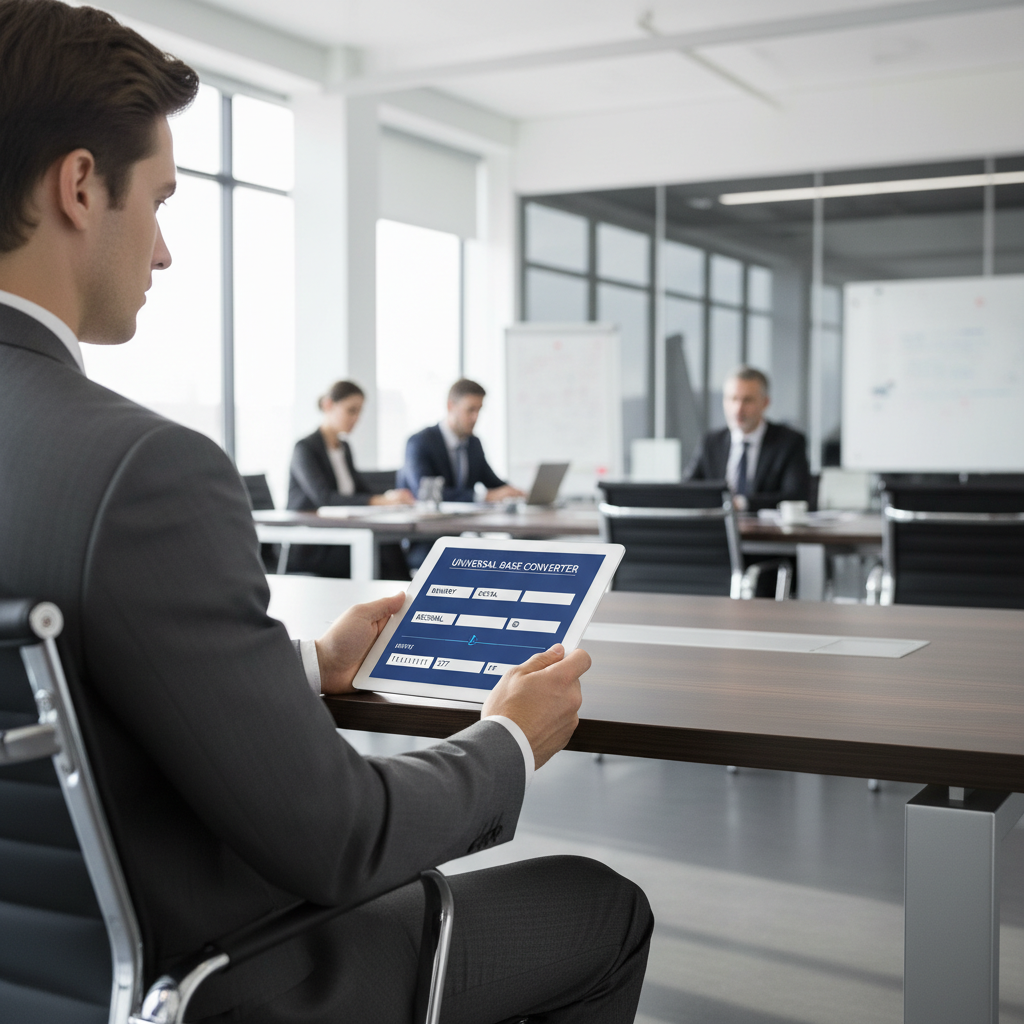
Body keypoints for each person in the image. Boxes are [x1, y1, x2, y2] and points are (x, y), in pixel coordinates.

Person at [0, 4, 652, 1023]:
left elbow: (79, 687)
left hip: (36, 974)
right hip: (215, 974)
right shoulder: (141, 469)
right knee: (600, 908)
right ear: (81, 186)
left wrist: (303, 666)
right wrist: (508, 741)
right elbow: (339, 836)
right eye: (163, 202)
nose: (166, 252)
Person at [287, 380, 413, 577]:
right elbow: (325, 498)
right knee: (381, 550)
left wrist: (388, 497)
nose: (357, 418)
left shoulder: (344, 448)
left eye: (359, 412)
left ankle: (404, 601)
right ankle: (401, 601)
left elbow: (361, 491)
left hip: (343, 534)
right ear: (329, 405)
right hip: (315, 543)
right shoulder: (305, 448)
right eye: (351, 410)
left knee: (388, 545)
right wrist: (378, 501)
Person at [685, 365, 810, 512]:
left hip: (766, 532)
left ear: (765, 403)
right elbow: (687, 489)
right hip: (717, 529)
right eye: (733, 399)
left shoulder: (789, 442)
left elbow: (796, 496)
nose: (738, 409)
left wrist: (743, 504)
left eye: (747, 400)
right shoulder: (711, 442)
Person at [398, 378, 525, 503]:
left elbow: (493, 482)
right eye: (470, 410)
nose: (476, 417)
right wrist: (483, 497)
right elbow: (425, 493)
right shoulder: (420, 442)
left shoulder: (473, 443)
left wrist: (517, 493)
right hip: (424, 521)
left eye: (479, 410)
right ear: (450, 406)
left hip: (463, 521)